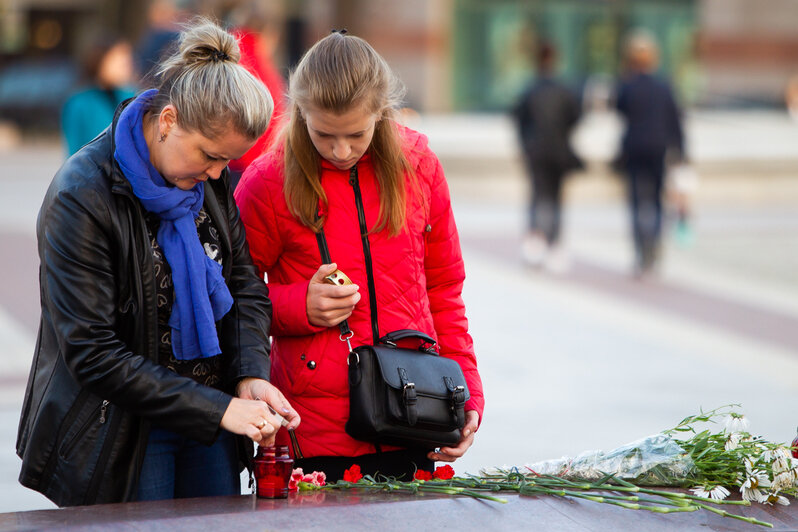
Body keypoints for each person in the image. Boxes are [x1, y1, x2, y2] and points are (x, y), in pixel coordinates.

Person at [16, 18, 299, 507]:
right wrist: (218, 409)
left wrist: (251, 373)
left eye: (226, 164)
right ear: (167, 121)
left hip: (209, 422)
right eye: (209, 156)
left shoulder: (206, 180)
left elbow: (245, 285)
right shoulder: (81, 195)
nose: (217, 175)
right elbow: (92, 351)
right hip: (120, 429)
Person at [234, 31, 484, 482]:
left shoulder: (420, 166)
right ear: (300, 114)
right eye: (324, 134)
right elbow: (232, 301)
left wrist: (466, 397)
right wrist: (297, 306)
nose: (341, 150)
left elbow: (444, 291)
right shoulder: (266, 181)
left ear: (382, 114)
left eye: (357, 134)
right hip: (311, 431)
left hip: (414, 416)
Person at [616, 31, 685, 276]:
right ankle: (653, 248)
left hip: (634, 149)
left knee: (636, 202)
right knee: (655, 201)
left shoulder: (628, 85)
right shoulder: (663, 86)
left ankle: (640, 252)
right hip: (657, 149)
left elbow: (619, 108)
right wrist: (681, 153)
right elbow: (676, 121)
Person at [513, 41, 582, 272]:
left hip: (537, 151)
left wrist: (525, 144)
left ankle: (535, 241)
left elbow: (518, 119)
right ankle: (553, 242)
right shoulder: (564, 90)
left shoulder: (530, 89)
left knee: (537, 195)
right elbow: (576, 116)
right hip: (559, 151)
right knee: (556, 197)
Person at [227, 2, 288, 188]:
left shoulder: (228, 53)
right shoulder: (263, 69)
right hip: (250, 168)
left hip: (224, 161)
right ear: (270, 33)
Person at [62, 35, 136, 156]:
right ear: (101, 60)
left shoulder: (132, 98)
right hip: (92, 170)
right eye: (119, 60)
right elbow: (74, 152)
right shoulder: (80, 103)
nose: (126, 66)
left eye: (128, 60)